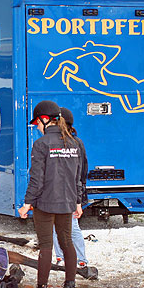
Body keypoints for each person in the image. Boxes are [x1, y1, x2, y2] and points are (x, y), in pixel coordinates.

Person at [18, 101, 83, 288]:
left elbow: (36, 178)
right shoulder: (74, 143)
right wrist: (78, 202)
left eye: (37, 122)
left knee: (46, 246)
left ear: (45, 120)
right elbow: (78, 177)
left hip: (45, 203)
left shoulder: (41, 144)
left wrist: (27, 203)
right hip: (67, 203)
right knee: (67, 244)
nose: (37, 127)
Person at [52, 107, 92, 276]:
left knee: (71, 225)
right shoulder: (55, 142)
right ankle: (62, 257)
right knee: (57, 225)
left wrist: (79, 197)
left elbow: (81, 170)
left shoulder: (75, 143)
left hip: (69, 192)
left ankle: (80, 259)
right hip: (58, 191)